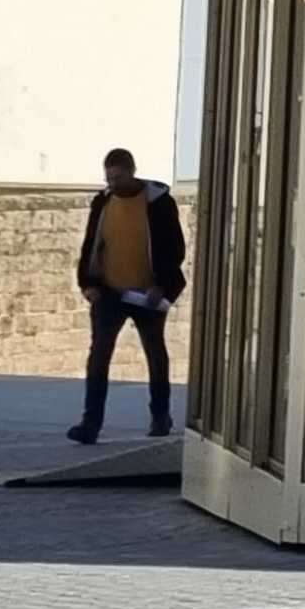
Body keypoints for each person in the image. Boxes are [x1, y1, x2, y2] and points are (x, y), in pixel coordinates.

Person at [70, 147, 186, 445]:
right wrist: (88, 283)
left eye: (119, 177)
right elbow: (91, 244)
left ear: (133, 172)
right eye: (109, 178)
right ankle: (90, 423)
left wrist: (162, 285)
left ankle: (160, 417)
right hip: (109, 292)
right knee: (98, 356)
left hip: (148, 293)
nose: (114, 184)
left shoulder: (158, 203)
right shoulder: (103, 203)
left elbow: (175, 248)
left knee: (155, 355)